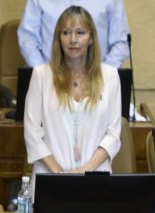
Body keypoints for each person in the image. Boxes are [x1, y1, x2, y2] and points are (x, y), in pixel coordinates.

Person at [23, 6, 121, 192]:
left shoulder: (110, 76)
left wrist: (85, 172)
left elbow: (113, 135)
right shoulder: (41, 75)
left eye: (80, 32)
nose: (73, 39)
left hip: (96, 180)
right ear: (58, 39)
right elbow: (32, 133)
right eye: (66, 33)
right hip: (49, 179)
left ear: (91, 38)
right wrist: (60, 174)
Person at [18, 0, 129, 68]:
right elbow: (27, 37)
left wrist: (103, 75)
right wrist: (43, 73)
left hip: (98, 83)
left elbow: (121, 42)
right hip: (50, 79)